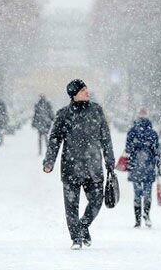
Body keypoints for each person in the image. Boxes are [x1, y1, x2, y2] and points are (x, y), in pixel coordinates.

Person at [43, 79, 115, 250]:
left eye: (86, 89)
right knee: (71, 206)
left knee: (97, 201)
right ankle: (76, 238)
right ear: (74, 94)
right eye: (83, 90)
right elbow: (54, 140)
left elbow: (105, 138)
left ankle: (83, 226)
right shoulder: (63, 114)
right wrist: (49, 161)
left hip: (93, 167)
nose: (87, 92)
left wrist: (109, 161)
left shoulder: (97, 111)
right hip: (71, 168)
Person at [124, 109, 161, 228]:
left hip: (136, 166)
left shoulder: (132, 131)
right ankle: (146, 215)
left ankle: (138, 219)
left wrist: (136, 145)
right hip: (148, 166)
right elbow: (157, 152)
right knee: (147, 193)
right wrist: (158, 168)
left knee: (138, 194)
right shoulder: (152, 133)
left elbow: (128, 149)